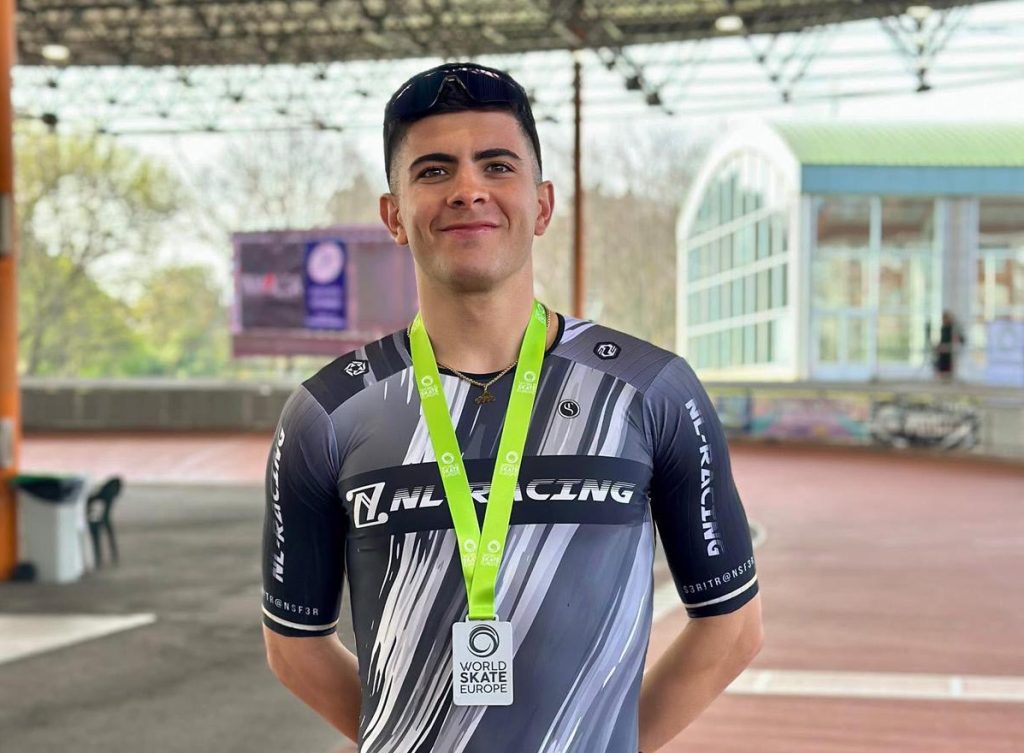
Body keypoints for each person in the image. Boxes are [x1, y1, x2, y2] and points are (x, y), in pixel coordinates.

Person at [261, 62, 762, 753]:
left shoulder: (653, 390)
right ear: (394, 216)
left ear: (543, 205)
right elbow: (294, 644)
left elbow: (732, 627)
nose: (468, 189)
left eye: (496, 166)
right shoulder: (328, 411)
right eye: (434, 171)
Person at [933, 310, 964, 380]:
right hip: (943, 352)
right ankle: (941, 377)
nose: (944, 320)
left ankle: (948, 377)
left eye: (945, 318)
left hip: (950, 352)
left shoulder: (954, 328)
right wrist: (938, 346)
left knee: (949, 368)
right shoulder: (943, 328)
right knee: (939, 363)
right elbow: (943, 340)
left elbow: (962, 340)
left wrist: (956, 339)